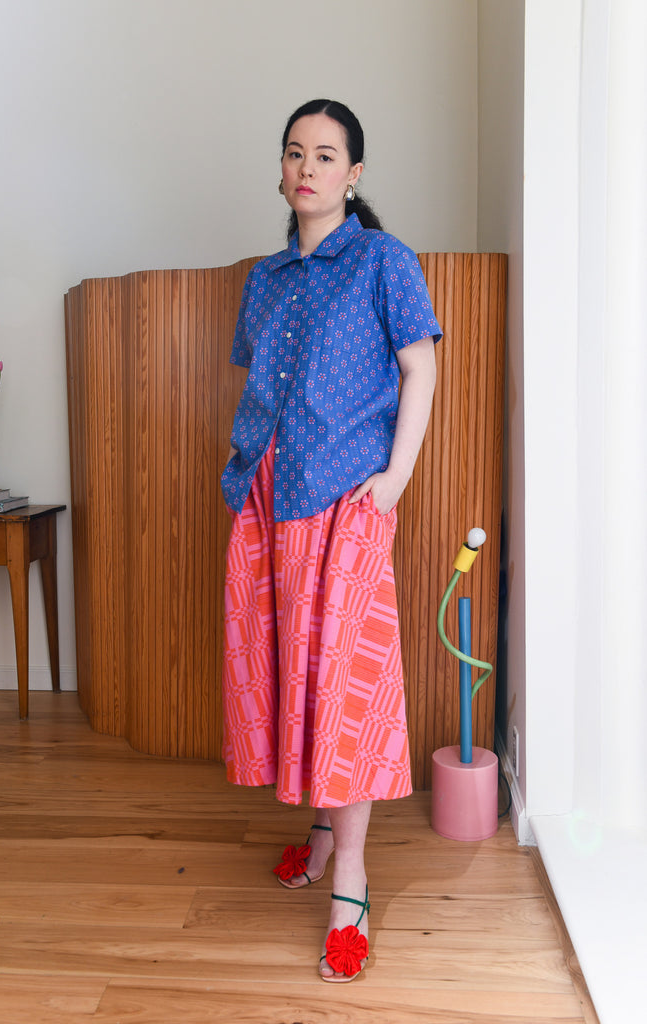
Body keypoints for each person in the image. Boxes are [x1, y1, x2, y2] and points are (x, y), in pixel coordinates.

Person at [221, 98, 441, 983]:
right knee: (292, 670)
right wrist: (244, 474)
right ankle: (319, 827)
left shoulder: (384, 260)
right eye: (293, 152)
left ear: (352, 174)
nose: (305, 167)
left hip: (346, 496)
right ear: (281, 171)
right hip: (267, 494)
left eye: (324, 154)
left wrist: (395, 478)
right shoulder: (265, 277)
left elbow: (420, 365)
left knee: (344, 683)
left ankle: (349, 877)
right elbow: (263, 384)